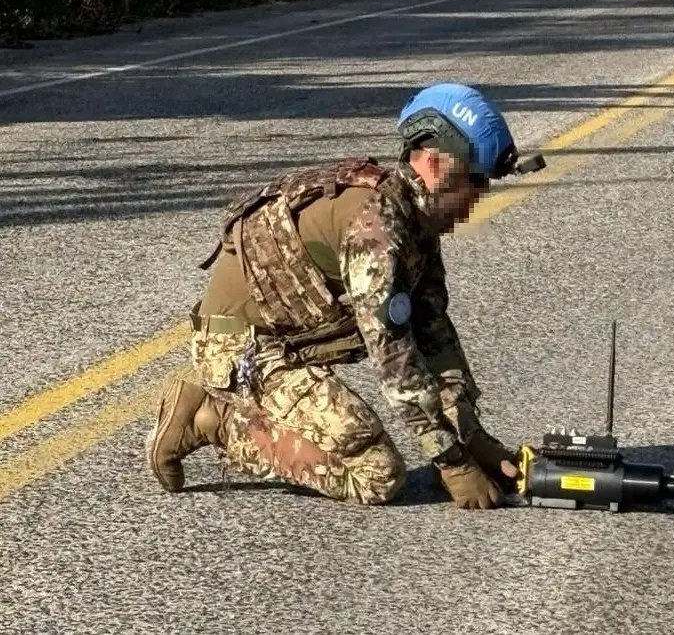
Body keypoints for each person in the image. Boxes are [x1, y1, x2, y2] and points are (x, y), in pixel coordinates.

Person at [145, 82, 538, 509]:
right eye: (473, 180)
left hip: (291, 340)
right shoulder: (377, 230)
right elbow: (394, 358)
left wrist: (471, 437)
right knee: (378, 474)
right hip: (242, 349)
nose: (478, 197)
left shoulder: (415, 219)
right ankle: (211, 418)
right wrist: (452, 461)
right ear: (432, 163)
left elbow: (433, 331)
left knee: (376, 431)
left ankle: (234, 409)